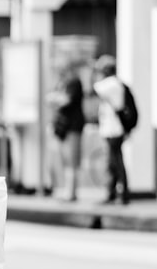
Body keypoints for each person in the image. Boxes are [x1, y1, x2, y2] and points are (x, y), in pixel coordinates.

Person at [92, 55, 131, 204]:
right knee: (114, 161)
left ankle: (119, 192)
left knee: (115, 161)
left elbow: (94, 87)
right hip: (112, 129)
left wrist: (93, 70)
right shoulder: (115, 84)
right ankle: (115, 191)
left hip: (113, 130)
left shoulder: (112, 84)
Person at [51, 63, 86, 201]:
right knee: (65, 160)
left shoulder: (74, 83)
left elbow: (65, 100)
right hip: (64, 127)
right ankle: (67, 190)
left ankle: (70, 192)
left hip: (72, 126)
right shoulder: (65, 83)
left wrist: (55, 99)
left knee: (71, 160)